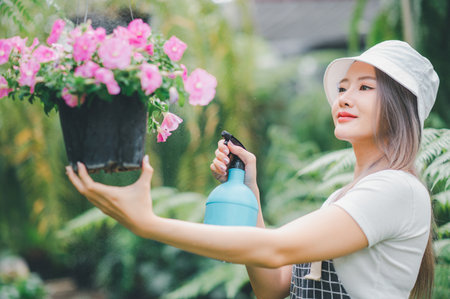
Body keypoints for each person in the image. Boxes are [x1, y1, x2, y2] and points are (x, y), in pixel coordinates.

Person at [66, 40, 439, 299]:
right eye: (343, 87)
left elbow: (276, 249)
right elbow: (274, 286)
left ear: (400, 107)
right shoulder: (346, 197)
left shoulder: (396, 190)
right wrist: (250, 192)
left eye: (364, 87)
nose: (344, 96)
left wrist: (149, 224)